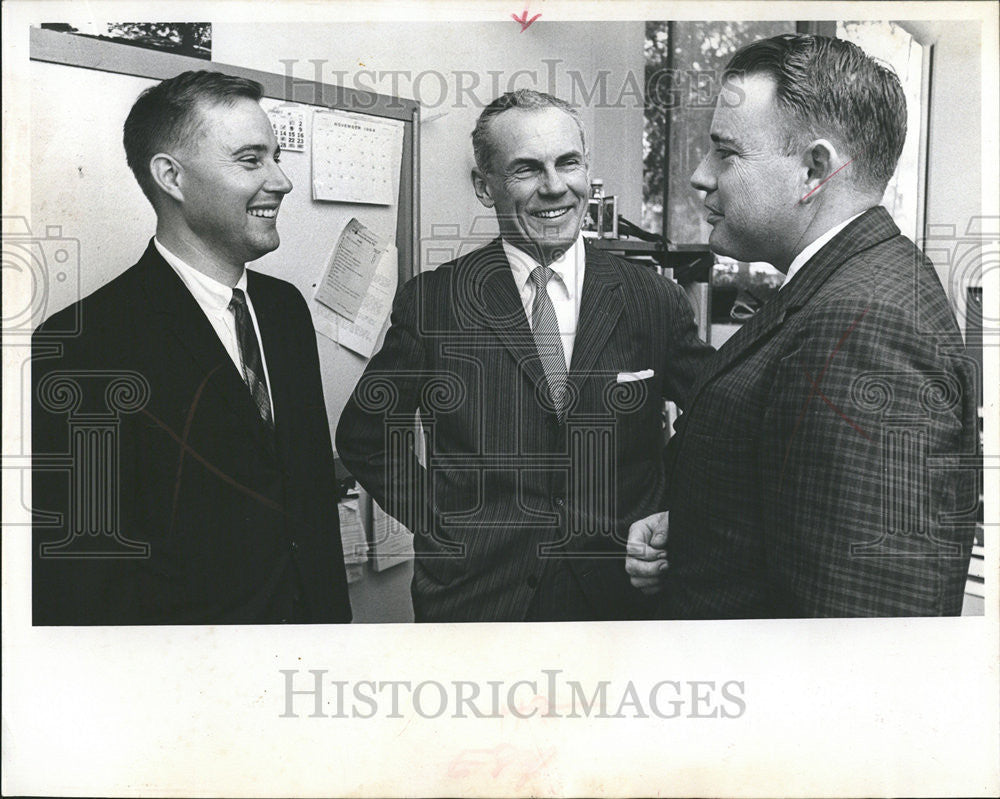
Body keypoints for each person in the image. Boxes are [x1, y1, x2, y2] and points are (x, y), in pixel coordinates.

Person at [626, 34, 979, 617]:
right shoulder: (841, 285)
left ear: (814, 168)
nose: (698, 176)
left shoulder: (864, 322)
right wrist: (698, 524)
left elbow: (862, 628)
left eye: (726, 152)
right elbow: (803, 498)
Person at [336, 90, 713, 622]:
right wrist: (441, 522)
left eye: (568, 163)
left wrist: (670, 512)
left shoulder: (652, 297)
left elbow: (720, 418)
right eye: (526, 169)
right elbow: (363, 434)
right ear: (483, 186)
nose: (554, 186)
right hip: (477, 598)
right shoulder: (435, 301)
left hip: (618, 598)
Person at [32, 70, 352, 625]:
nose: (281, 181)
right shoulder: (84, 345)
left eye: (276, 157)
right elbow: (83, 574)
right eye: (251, 159)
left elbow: (305, 493)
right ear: (171, 177)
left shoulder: (285, 310)